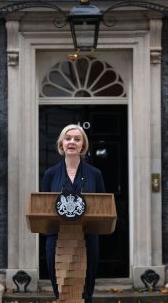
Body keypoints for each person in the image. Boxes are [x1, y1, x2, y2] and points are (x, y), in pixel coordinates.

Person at [41, 124, 106, 302]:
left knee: (86, 289)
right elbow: (44, 208)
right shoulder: (50, 174)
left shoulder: (95, 174)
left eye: (77, 139)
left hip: (87, 237)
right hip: (57, 237)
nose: (72, 142)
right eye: (68, 138)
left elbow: (104, 206)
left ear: (83, 146)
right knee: (61, 289)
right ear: (61, 144)